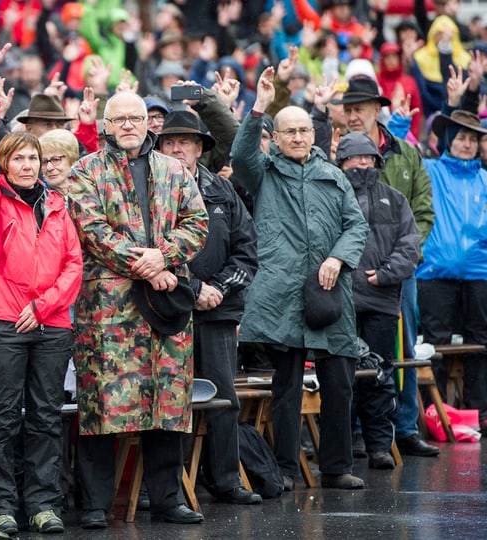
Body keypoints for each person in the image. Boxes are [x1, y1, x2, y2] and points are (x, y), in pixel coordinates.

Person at [68, 91, 209, 528]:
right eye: (120, 118)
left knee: (167, 404)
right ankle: (94, 505)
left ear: (150, 124)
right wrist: (146, 265)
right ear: (106, 125)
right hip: (109, 309)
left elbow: (197, 223)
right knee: (101, 408)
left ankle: (167, 499)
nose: (129, 125)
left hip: (166, 305)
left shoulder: (175, 171)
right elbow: (91, 230)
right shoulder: (85, 171)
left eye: (136, 117)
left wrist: (163, 257)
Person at [231, 67, 368, 491]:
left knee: (339, 384)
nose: (297, 137)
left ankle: (337, 467)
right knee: (286, 389)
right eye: (288, 131)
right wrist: (259, 107)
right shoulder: (264, 172)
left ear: (315, 133)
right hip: (282, 296)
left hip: (331, 293)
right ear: (276, 135)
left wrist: (338, 258)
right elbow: (239, 157)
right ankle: (286, 469)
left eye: (304, 130)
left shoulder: (334, 175)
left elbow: (357, 226)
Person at [0, 64, 83, 535]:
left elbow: (73, 264)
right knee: (1, 419)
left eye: (34, 158)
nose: (29, 165)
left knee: (47, 418)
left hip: (50, 325)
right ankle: (2, 507)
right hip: (3, 323)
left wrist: (45, 306)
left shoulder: (58, 205)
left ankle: (43, 505)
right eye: (19, 159)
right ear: (6, 165)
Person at [157, 110, 261, 504]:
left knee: (222, 397)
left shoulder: (223, 190)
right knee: (171, 399)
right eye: (169, 141)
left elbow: (247, 251)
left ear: (201, 148)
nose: (177, 148)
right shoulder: (149, 191)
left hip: (218, 311)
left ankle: (226, 480)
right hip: (166, 310)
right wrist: (193, 288)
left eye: (186, 141)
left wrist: (216, 288)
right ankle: (169, 491)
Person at [333, 76, 439, 458]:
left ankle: (399, 432)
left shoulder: (405, 156)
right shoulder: (332, 189)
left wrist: (396, 268)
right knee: (344, 373)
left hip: (390, 284)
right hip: (343, 296)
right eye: (348, 108)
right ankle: (353, 441)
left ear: (377, 109)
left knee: (391, 362)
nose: (353, 114)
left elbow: (418, 221)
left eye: (359, 107)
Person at [335, 132, 420, 470]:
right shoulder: (332, 196)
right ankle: (347, 445)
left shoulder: (395, 199)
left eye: (368, 157)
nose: (363, 163)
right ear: (341, 163)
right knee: (343, 378)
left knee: (381, 374)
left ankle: (379, 446)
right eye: (355, 158)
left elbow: (410, 244)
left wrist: (384, 274)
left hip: (382, 301)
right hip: (341, 302)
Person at [415, 107, 487, 428]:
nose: (468, 143)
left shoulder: (485, 177)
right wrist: (403, 123)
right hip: (435, 272)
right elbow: (399, 157)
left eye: (473, 138)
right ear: (447, 141)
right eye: (461, 137)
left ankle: (480, 413)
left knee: (481, 343)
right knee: (437, 345)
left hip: (480, 272)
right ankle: (436, 414)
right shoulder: (430, 170)